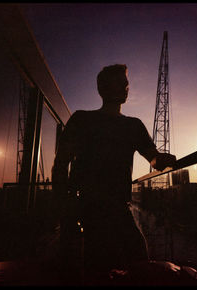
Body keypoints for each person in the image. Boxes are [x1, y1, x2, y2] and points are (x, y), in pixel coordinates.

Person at [52, 64, 176, 278]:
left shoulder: (132, 125)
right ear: (104, 88)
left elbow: (153, 160)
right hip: (88, 209)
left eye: (126, 83)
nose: (127, 86)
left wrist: (163, 159)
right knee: (113, 265)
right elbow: (61, 164)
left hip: (116, 208)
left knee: (133, 261)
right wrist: (66, 207)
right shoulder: (83, 120)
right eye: (121, 82)